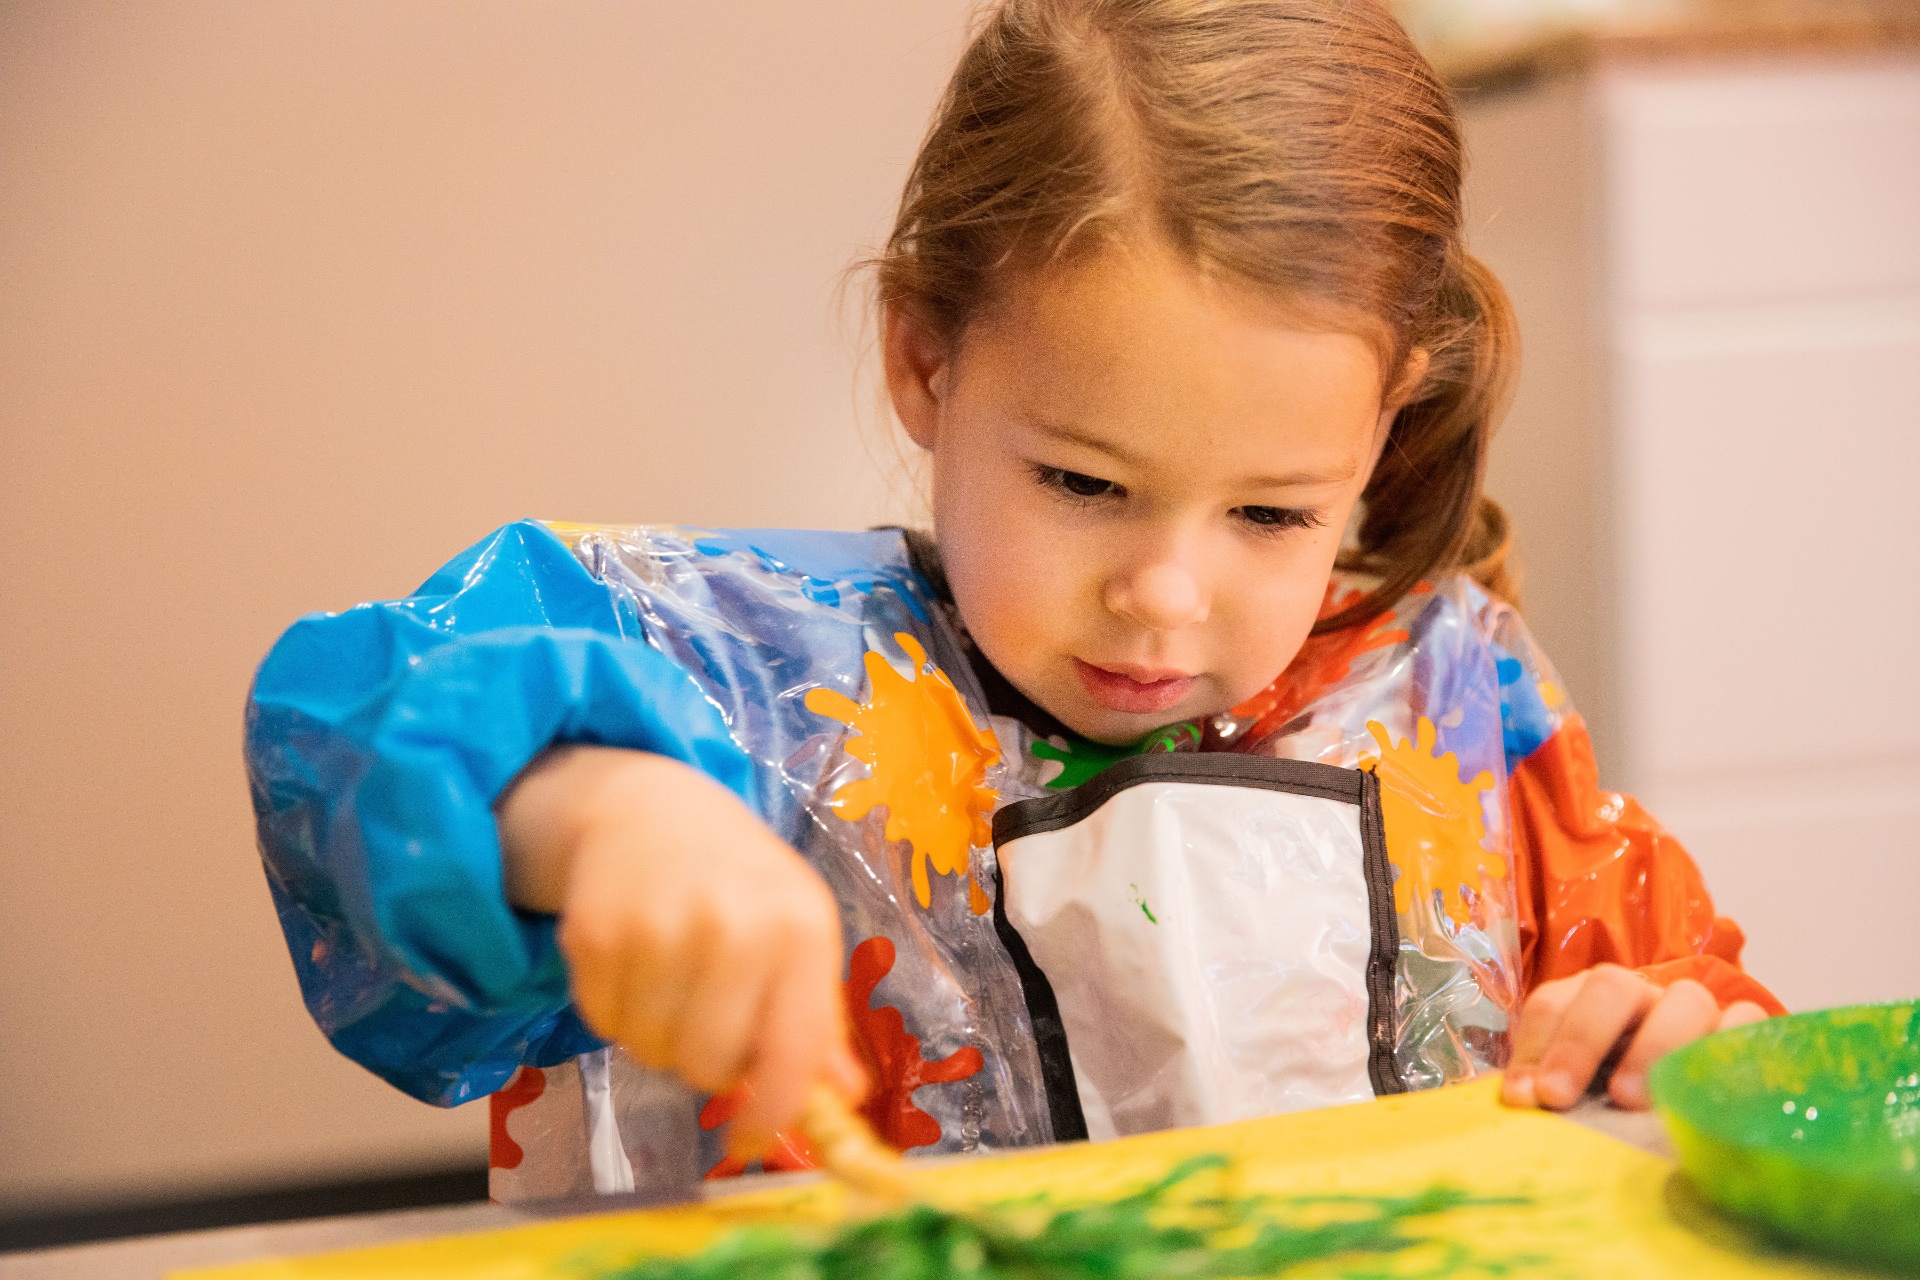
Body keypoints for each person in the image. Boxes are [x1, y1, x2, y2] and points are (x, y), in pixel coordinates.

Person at [245, 0, 1780, 1202]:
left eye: (1270, 512)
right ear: (927, 360)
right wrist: (590, 819)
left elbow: (1697, 1009)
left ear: (1383, 432)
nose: (1164, 594)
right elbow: (363, 732)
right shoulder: (719, 675)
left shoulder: (1464, 709)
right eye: (1085, 485)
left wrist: (1679, 1046)